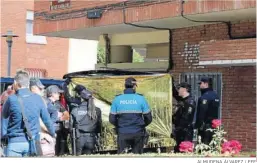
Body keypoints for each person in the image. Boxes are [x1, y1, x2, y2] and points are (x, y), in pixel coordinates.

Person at [2, 70, 55, 157]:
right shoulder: (38, 99)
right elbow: (47, 120)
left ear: (15, 82)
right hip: (33, 143)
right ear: (28, 84)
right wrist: (53, 133)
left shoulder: (11, 99)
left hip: (15, 143)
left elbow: (4, 115)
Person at [109, 77, 152, 154]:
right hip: (138, 133)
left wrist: (119, 126)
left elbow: (112, 119)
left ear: (125, 86)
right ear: (134, 86)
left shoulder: (117, 99)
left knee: (122, 157)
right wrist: (141, 126)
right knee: (137, 157)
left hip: (122, 133)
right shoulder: (141, 98)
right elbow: (148, 118)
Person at [70, 85, 102, 155]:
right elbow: (99, 126)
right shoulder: (97, 110)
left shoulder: (75, 110)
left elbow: (70, 127)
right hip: (91, 138)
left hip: (78, 138)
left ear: (81, 98)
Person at [30, 78, 56, 156]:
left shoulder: (41, 100)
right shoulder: (38, 101)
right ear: (33, 88)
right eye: (40, 88)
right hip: (39, 136)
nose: (42, 91)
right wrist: (51, 133)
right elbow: (41, 121)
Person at [172, 82, 196, 153]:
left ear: (184, 89)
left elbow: (186, 118)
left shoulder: (190, 102)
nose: (178, 90)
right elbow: (175, 93)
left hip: (185, 132)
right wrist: (171, 81)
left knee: (184, 152)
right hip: (179, 131)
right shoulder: (182, 100)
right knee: (177, 151)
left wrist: (176, 130)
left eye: (179, 88)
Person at [45, 85, 69, 156]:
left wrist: (59, 117)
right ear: (52, 94)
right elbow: (44, 117)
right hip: (48, 132)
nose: (59, 95)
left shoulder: (58, 103)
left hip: (58, 132)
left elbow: (67, 115)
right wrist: (57, 116)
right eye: (58, 93)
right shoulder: (45, 103)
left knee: (57, 152)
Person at [195, 77, 220, 145]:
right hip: (214, 126)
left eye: (201, 83)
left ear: (206, 84)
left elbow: (201, 113)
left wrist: (197, 126)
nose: (199, 85)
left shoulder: (204, 97)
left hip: (204, 127)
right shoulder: (216, 96)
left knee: (203, 147)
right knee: (212, 146)